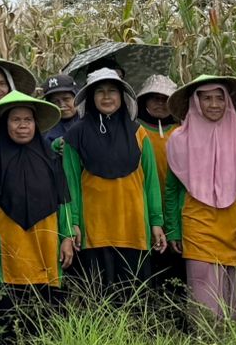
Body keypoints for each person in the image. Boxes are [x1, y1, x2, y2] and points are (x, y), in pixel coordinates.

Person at [161, 75, 236, 329]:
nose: (214, 104)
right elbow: (173, 189)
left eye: (220, 98)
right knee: (206, 301)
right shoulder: (178, 139)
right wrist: (174, 228)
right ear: (195, 102)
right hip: (199, 224)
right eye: (206, 98)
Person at [0, 91, 75, 345]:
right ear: (4, 124)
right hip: (9, 238)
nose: (22, 125)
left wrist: (66, 238)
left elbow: (63, 200)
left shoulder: (50, 157)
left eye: (28, 120)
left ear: (36, 124)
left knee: (46, 303)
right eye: (16, 120)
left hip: (45, 238)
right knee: (8, 305)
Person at [60, 68, 165, 297]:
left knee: (134, 299)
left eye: (112, 91)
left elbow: (151, 182)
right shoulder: (75, 136)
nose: (107, 97)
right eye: (100, 91)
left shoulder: (139, 133)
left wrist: (156, 221)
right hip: (94, 230)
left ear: (122, 97)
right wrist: (72, 224)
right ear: (90, 97)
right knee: (99, 298)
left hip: (134, 227)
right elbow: (69, 186)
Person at [136, 75, 187, 322]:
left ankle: (178, 313)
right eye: (154, 98)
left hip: (179, 206)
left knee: (179, 261)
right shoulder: (137, 131)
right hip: (146, 206)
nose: (159, 103)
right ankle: (154, 314)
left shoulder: (182, 131)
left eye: (165, 99)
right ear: (143, 101)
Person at [41, 74, 79, 144]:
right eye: (55, 101)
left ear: (76, 98)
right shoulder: (44, 131)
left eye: (66, 99)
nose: (62, 105)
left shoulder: (91, 120)